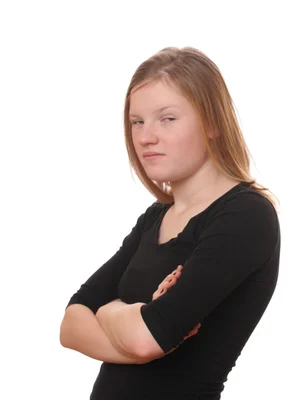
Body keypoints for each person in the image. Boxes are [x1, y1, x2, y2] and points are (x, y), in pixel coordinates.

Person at [59, 47, 280, 400]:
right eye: (137, 122)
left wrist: (110, 311)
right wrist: (133, 317)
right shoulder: (156, 216)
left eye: (167, 118)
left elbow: (147, 340)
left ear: (212, 122)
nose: (146, 137)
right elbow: (70, 325)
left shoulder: (246, 216)